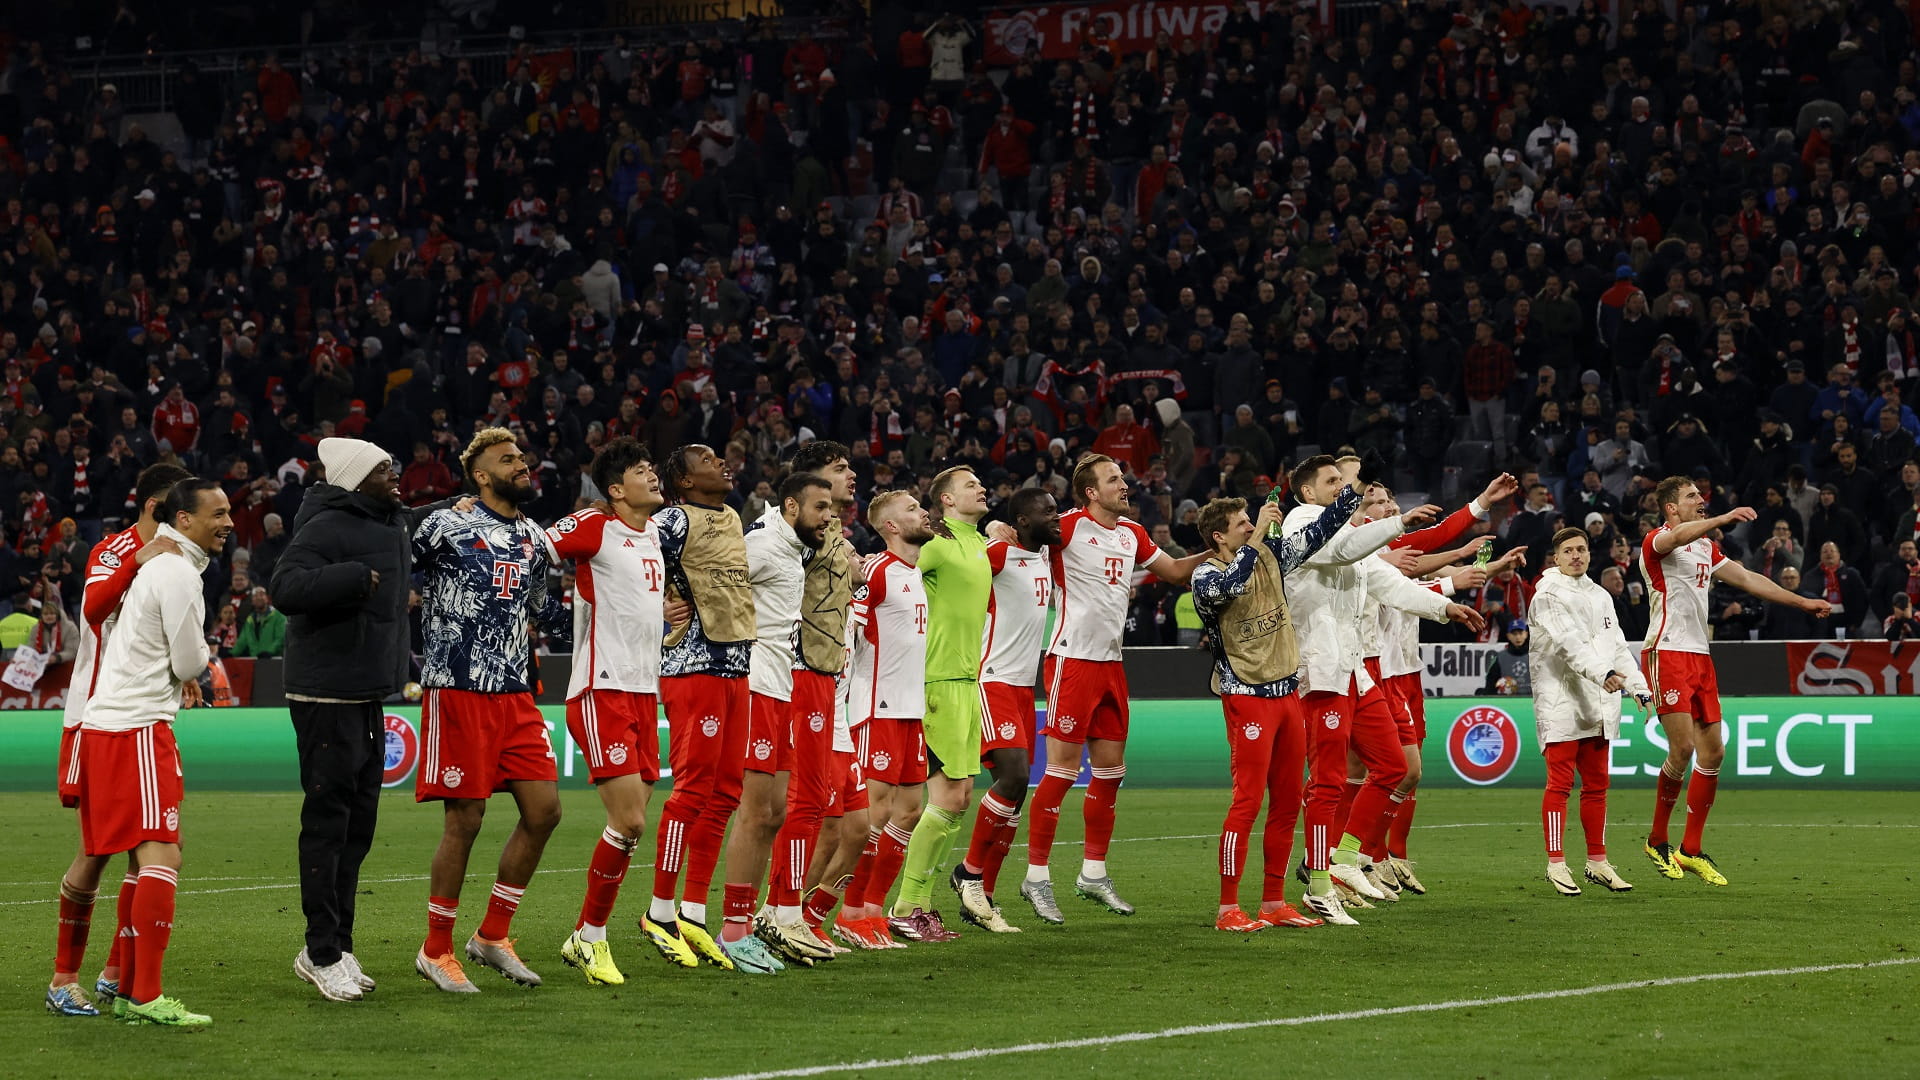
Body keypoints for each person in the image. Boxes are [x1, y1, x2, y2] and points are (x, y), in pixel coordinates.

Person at [271, 438, 453, 1003]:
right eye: (383, 468)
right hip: (326, 694)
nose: (395, 474)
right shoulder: (326, 527)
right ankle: (320, 952)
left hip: (369, 693)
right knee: (328, 826)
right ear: (354, 479)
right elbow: (284, 587)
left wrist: (455, 506)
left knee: (357, 829)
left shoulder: (385, 520)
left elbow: (406, 518)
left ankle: (339, 944)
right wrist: (349, 578)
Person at [1282, 455, 1482, 923]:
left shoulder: (1349, 535)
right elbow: (1346, 550)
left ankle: (1346, 858)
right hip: (1321, 671)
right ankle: (1317, 882)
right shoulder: (1304, 522)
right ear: (1307, 492)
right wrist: (1395, 521)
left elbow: (1385, 581)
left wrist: (1442, 608)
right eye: (1332, 481)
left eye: (1342, 480)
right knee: (1328, 780)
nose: (1341, 487)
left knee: (1393, 767)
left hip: (1356, 670)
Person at [410, 428, 572, 991]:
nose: (522, 465)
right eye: (509, 460)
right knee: (466, 819)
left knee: (545, 810)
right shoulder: (444, 525)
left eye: (523, 458)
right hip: (456, 687)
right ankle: (436, 950)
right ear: (481, 475)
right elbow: (396, 566)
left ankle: (492, 936)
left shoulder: (531, 533)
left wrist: (627, 622)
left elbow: (541, 608)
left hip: (515, 690)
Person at [1021, 454, 1209, 924]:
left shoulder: (1133, 534)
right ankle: (1036, 877)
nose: (1124, 486)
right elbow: (1018, 537)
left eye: (1123, 478)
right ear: (1090, 492)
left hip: (1111, 664)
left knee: (1110, 773)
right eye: (1114, 480)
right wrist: (996, 534)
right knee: (1062, 772)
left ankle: (1093, 873)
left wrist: (1221, 552)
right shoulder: (1064, 527)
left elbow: (1175, 573)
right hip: (1071, 660)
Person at [75, 477, 231, 1025]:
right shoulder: (177, 572)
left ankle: (124, 986)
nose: (229, 522)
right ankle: (144, 995)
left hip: (111, 726)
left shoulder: (156, 567)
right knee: (162, 854)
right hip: (135, 729)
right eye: (218, 512)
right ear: (182, 519)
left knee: (154, 853)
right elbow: (190, 663)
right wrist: (197, 661)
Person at [45, 462, 189, 1018]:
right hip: (97, 718)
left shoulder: (176, 556)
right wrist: (136, 560)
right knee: (99, 851)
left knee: (153, 848)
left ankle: (116, 973)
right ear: (156, 507)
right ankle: (64, 978)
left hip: (140, 718)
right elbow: (93, 609)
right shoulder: (115, 549)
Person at [1638, 476, 1831, 887]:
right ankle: (1657, 840)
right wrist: (1725, 516)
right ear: (1671, 507)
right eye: (1691, 497)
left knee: (1713, 754)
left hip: (1700, 657)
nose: (1700, 501)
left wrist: (1801, 602)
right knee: (1683, 747)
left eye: (1701, 496)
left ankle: (1690, 850)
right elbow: (1677, 538)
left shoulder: (1707, 547)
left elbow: (1747, 579)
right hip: (1666, 651)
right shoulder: (1657, 540)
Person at [1190, 484, 1358, 932]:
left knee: (1286, 803)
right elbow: (1229, 588)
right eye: (1243, 524)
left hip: (1288, 695)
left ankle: (1272, 902)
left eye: (1253, 520)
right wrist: (1259, 534)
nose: (1254, 526)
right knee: (1247, 802)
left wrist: (1352, 491)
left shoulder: (1269, 555)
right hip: (1246, 697)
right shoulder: (1205, 575)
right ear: (1220, 538)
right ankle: (1228, 908)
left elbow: (1320, 532)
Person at [540, 439, 672, 986]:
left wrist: (668, 610)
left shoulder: (656, 535)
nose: (653, 475)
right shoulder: (595, 524)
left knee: (631, 827)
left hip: (644, 692)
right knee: (632, 819)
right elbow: (534, 546)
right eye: (643, 471)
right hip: (601, 689)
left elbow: (638, 601)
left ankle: (587, 935)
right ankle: (590, 936)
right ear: (616, 489)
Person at [720, 470, 837, 970]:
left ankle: (749, 924)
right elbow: (717, 578)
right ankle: (732, 930)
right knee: (754, 813)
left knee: (775, 814)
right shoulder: (764, 544)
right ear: (791, 507)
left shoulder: (792, 548)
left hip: (781, 688)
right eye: (820, 508)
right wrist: (677, 607)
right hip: (755, 688)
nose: (828, 518)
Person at [645, 444, 755, 972]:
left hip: (735, 666)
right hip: (694, 666)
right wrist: (657, 607)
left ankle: (692, 910)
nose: (722, 463)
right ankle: (659, 910)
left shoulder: (732, 516)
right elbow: (629, 561)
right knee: (692, 791)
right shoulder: (669, 518)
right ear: (684, 482)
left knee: (726, 793)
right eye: (708, 460)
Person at [950, 487, 1061, 931]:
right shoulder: (997, 553)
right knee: (1013, 777)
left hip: (1021, 688)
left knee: (1014, 796)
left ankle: (984, 898)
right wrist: (991, 535)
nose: (1056, 518)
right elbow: (962, 566)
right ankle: (969, 873)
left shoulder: (1047, 557)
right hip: (991, 678)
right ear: (1022, 521)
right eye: (1047, 511)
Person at [770, 442, 866, 954]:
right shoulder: (790, 535)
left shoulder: (832, 536)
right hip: (798, 675)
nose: (850, 474)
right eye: (839, 468)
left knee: (849, 822)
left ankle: (798, 913)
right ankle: (776, 911)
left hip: (832, 685)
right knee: (801, 808)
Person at [892, 465, 994, 939]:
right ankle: (906, 905)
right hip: (937, 683)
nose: (982, 489)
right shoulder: (935, 543)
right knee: (946, 798)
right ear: (948, 501)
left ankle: (917, 904)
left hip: (967, 682)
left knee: (960, 798)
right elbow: (890, 574)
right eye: (971, 486)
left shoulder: (976, 543)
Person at [835, 490, 936, 947]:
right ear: (891, 526)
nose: (924, 512)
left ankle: (875, 908)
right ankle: (849, 913)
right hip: (876, 709)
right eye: (913, 509)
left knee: (911, 811)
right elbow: (847, 628)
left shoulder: (915, 573)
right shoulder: (877, 570)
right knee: (874, 814)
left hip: (911, 710)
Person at [1528, 527, 1651, 896]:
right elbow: (1569, 645)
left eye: (1581, 549)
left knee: (1597, 786)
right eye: (1569, 551)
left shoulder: (1599, 595)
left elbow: (1615, 647)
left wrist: (1638, 686)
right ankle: (1556, 864)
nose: (1577, 556)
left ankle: (1597, 862)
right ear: (1557, 558)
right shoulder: (1547, 595)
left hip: (1599, 701)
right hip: (1563, 701)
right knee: (1560, 785)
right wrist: (1605, 675)